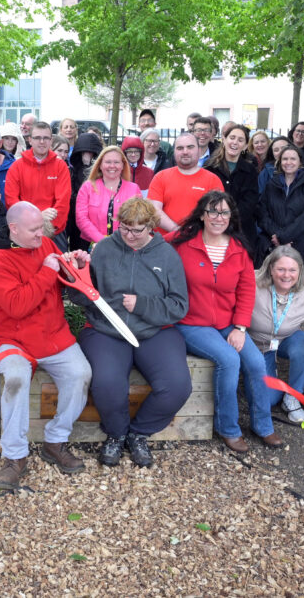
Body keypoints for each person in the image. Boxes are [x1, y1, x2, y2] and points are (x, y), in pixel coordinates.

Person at [0, 201, 93, 490]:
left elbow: (63, 283)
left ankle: (55, 440)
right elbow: (17, 306)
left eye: (41, 228)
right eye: (33, 230)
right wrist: (47, 270)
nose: (40, 235)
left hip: (53, 335)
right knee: (16, 378)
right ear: (14, 229)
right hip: (14, 340)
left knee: (80, 374)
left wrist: (75, 268)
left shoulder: (45, 244)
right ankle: (14, 456)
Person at [74, 198, 190, 467]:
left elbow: (179, 305)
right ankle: (116, 434)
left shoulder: (167, 255)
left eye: (136, 230)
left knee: (177, 386)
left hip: (155, 330)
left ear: (151, 227)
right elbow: (83, 297)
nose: (128, 235)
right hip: (107, 330)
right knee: (108, 384)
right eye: (124, 228)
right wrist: (77, 275)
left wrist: (143, 304)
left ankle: (138, 434)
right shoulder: (104, 248)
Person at [171, 191, 278, 451]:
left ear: (232, 217)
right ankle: (228, 428)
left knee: (255, 362)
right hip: (192, 323)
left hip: (229, 322)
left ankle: (263, 426)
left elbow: (246, 291)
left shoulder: (239, 249)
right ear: (202, 214)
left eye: (224, 212)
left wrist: (241, 328)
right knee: (228, 360)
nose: (218, 217)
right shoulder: (182, 242)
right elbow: (146, 244)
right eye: (213, 211)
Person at [248, 246, 304, 423]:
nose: (286, 275)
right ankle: (260, 376)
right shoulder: (252, 280)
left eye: (292, 270)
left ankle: (293, 396)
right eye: (281, 269)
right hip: (254, 344)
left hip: (286, 339)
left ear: (300, 271)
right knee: (267, 400)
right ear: (270, 269)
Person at [257, 145, 304, 278]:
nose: (288, 162)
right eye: (285, 159)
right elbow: (262, 213)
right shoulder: (272, 184)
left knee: (298, 289)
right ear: (280, 162)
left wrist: (284, 236)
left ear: (300, 162)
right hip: (273, 244)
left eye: (293, 159)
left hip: (301, 244)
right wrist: (277, 235)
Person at [6, 121, 72, 248]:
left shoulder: (60, 166)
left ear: (51, 140)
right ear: (30, 140)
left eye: (46, 138)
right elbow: (12, 202)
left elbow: (63, 203)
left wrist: (46, 229)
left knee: (57, 267)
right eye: (37, 138)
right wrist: (35, 220)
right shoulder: (17, 167)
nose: (42, 142)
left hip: (54, 232)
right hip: (24, 232)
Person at [204, 124, 261, 262]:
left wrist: (230, 219)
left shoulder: (250, 170)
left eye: (240, 140)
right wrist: (219, 218)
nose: (235, 142)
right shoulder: (210, 167)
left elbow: (250, 201)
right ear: (224, 139)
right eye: (232, 137)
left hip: (242, 230)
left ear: (246, 145)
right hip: (214, 228)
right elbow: (206, 199)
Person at [147, 132, 224, 235]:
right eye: (180, 148)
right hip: (164, 244)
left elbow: (216, 214)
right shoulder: (160, 177)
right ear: (174, 152)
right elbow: (154, 210)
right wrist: (178, 231)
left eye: (190, 147)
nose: (185, 152)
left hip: (198, 242)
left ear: (199, 150)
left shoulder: (213, 180)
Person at [75, 146, 141, 246]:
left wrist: (118, 241)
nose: (112, 166)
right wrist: (102, 241)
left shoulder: (134, 189)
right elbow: (81, 219)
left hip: (124, 245)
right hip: (90, 245)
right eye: (108, 162)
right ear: (100, 165)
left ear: (123, 165)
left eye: (116, 162)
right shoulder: (87, 187)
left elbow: (137, 219)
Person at [67, 132, 103, 250]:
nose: (87, 155)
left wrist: (89, 165)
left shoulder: (102, 172)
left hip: (96, 217)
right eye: (84, 151)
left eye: (90, 152)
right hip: (76, 218)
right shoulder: (72, 170)